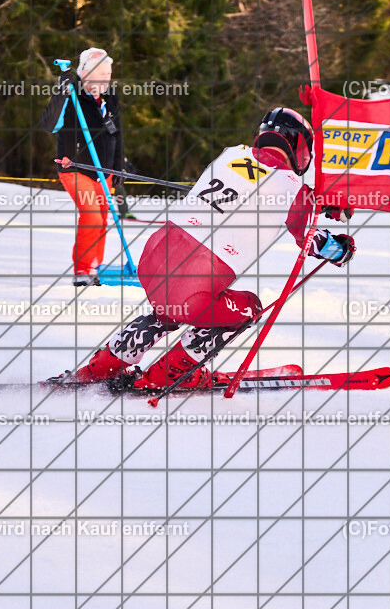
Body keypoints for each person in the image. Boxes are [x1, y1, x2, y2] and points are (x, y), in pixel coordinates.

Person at [51, 107, 356, 390]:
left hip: (154, 260)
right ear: (299, 147)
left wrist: (318, 204)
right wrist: (340, 249)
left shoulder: (232, 154)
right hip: (195, 282)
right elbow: (310, 238)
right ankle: (171, 373)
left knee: (169, 310)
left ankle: (101, 366)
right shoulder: (291, 186)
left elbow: (256, 190)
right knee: (247, 307)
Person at [40, 47, 129, 286]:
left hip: (105, 170)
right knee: (91, 216)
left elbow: (116, 134)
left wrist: (118, 166)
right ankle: (82, 270)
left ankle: (95, 268)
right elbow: (49, 125)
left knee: (102, 220)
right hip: (75, 168)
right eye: (100, 74)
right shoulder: (71, 94)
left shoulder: (110, 97)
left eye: (108, 74)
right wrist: (61, 91)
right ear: (85, 74)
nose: (105, 79)